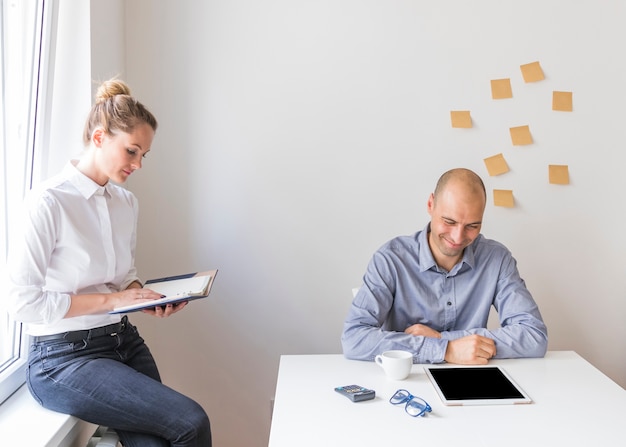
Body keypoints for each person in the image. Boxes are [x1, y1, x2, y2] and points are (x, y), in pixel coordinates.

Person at [6, 79, 212, 446]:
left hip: (122, 341)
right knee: (192, 421)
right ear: (99, 138)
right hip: (62, 360)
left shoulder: (126, 203)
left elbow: (123, 278)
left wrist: (145, 297)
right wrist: (114, 301)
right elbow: (23, 302)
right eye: (132, 151)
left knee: (155, 442)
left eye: (143, 155)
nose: (138, 164)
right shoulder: (48, 202)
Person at [341, 168, 548, 365]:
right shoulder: (391, 259)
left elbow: (534, 336)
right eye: (449, 221)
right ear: (431, 204)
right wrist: (446, 350)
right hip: (408, 381)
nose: (458, 237)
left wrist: (443, 339)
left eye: (472, 226)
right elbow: (354, 338)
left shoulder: (496, 259)